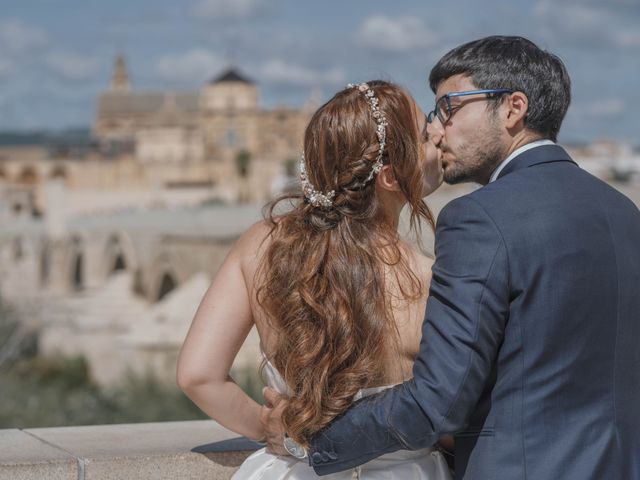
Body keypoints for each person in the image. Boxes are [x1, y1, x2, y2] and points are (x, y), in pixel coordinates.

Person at [261, 36, 640, 479]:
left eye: (450, 107)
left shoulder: (478, 218)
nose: (439, 128)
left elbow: (436, 402)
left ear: (513, 109)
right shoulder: (623, 212)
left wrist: (307, 438)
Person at [176, 80, 452, 479]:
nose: (440, 133)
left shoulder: (262, 246)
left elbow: (197, 374)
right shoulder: (427, 279)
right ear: (390, 176)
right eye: (426, 133)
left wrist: (272, 428)